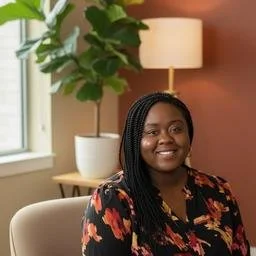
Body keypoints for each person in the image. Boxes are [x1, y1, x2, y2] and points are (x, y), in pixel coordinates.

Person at [81, 91, 250, 256]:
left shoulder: (218, 190)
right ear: (135, 141)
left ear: (189, 135)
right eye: (152, 132)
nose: (166, 139)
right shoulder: (112, 200)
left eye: (176, 129)